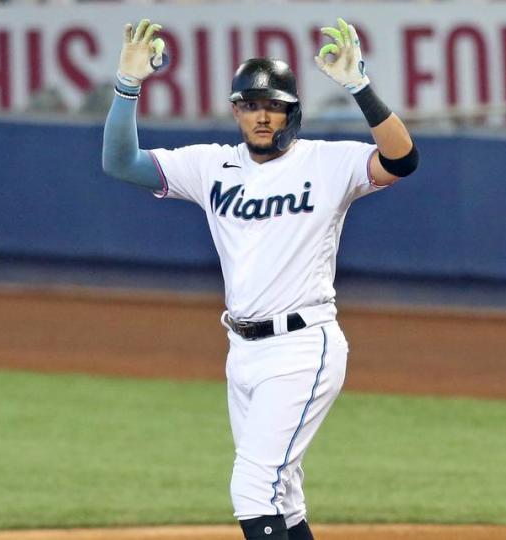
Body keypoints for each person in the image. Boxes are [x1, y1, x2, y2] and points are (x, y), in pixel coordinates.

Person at [102, 18, 419, 540]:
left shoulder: (328, 161)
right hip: (242, 350)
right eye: (250, 105)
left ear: (292, 110)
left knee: (252, 488)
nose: (262, 116)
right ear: (236, 111)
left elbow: (402, 160)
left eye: (273, 105)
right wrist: (127, 85)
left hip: (302, 345)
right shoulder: (211, 166)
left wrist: (360, 87)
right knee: (284, 500)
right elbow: (120, 163)